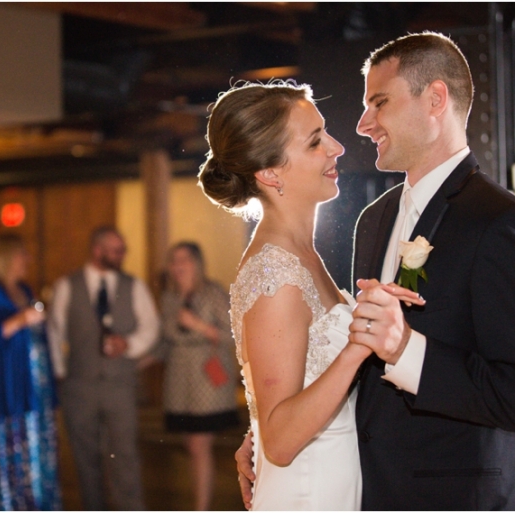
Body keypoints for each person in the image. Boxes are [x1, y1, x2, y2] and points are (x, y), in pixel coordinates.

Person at [236, 32, 515, 510]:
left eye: (379, 103)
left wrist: (408, 349)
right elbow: (351, 363)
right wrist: (270, 427)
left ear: (435, 99)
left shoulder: (503, 224)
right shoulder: (374, 220)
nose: (364, 124)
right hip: (366, 493)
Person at [199, 80, 424, 510]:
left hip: (335, 482)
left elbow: (290, 397)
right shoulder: (275, 274)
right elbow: (282, 441)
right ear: (270, 173)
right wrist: (358, 345)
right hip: (308, 493)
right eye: (316, 141)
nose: (337, 147)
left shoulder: (302, 256)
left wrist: (257, 432)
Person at [47, 226, 159, 510]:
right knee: (85, 459)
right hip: (79, 386)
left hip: (120, 385)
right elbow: (54, 332)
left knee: (125, 456)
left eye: (123, 249)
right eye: (116, 250)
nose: (122, 255)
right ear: (97, 250)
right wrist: (61, 372)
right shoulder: (66, 286)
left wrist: (129, 344)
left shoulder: (133, 286)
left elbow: (151, 327)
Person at [0, 233, 61, 510]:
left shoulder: (26, 289)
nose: (27, 259)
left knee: (38, 452)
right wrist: (20, 320)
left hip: (35, 388)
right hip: (7, 390)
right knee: (11, 454)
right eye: (22, 253)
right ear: (5, 257)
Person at [158, 241, 239, 510]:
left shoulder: (212, 292)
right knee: (190, 443)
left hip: (208, 375)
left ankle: (201, 508)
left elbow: (235, 334)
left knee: (198, 444)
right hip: (179, 376)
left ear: (197, 263)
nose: (178, 265)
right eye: (173, 260)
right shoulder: (169, 297)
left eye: (184, 259)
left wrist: (200, 326)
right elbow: (164, 340)